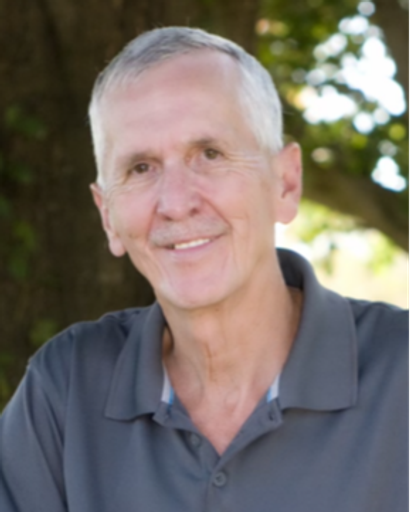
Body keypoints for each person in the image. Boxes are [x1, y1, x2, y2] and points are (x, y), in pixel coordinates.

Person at [0, 27, 407, 512]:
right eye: (141, 168)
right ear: (107, 215)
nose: (176, 203)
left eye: (210, 154)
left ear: (285, 182)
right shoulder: (66, 389)